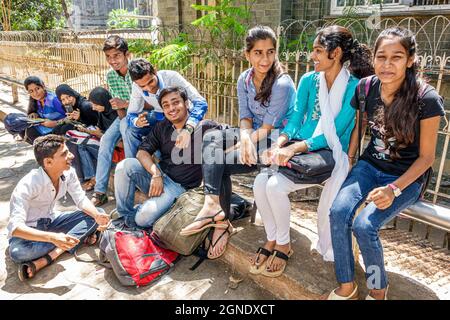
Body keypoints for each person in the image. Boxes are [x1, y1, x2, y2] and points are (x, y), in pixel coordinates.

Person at [325, 27, 444, 300]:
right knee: (339, 212)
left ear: (410, 60)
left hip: (407, 176)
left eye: (396, 57)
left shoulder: (426, 99)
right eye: (381, 57)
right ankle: (346, 286)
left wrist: (394, 189)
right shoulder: (366, 87)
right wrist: (349, 161)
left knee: (365, 226)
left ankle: (378, 290)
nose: (387, 65)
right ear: (374, 57)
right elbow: (359, 128)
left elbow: (427, 157)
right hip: (369, 166)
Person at [250, 26, 374, 277]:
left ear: (336, 53)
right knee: (259, 183)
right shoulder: (308, 80)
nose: (312, 56)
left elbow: (337, 129)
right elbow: (296, 118)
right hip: (300, 148)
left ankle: (284, 244)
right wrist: (282, 141)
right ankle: (273, 239)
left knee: (274, 186)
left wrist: (295, 147)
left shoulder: (354, 87)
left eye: (318, 50)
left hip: (329, 153)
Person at [180, 26, 297, 260]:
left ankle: (219, 219)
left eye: (270, 52)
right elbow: (245, 116)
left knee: (217, 160)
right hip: (252, 134)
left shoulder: (281, 84)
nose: (265, 59)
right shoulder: (244, 79)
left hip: (275, 141)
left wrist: (244, 142)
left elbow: (267, 128)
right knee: (211, 137)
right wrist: (243, 137)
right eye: (258, 53)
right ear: (247, 54)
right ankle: (214, 206)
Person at [114, 87, 220, 228]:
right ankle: (125, 217)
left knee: (143, 219)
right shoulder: (163, 126)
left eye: (176, 103)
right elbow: (142, 152)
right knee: (124, 166)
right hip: (159, 179)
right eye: (166, 106)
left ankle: (140, 214)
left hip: (179, 187)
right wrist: (156, 174)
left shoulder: (206, 127)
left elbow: (232, 140)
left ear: (187, 103)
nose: (171, 108)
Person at [7, 135, 110, 281]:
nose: (72, 155)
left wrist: (97, 216)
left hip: (52, 222)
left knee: (98, 212)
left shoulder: (68, 172)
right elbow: (15, 228)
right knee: (18, 253)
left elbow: (80, 199)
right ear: (48, 162)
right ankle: (77, 238)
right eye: (64, 154)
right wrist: (53, 237)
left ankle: (51, 255)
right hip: (28, 235)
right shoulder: (28, 185)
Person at [121, 58, 208, 158]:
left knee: (169, 145)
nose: (148, 88)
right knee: (130, 130)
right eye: (143, 86)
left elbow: (201, 103)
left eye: (150, 82)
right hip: (160, 117)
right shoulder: (136, 86)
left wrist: (188, 128)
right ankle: (133, 165)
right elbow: (130, 114)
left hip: (183, 117)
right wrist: (137, 121)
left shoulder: (172, 77)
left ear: (155, 71)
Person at [91, 35, 132, 206]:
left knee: (130, 138)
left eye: (116, 56)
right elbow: (118, 105)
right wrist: (123, 122)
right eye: (108, 56)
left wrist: (126, 107)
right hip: (124, 115)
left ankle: (131, 182)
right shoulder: (110, 76)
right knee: (106, 140)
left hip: (146, 115)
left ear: (127, 55)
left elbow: (150, 103)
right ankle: (100, 191)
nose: (112, 60)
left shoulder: (137, 70)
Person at [74, 87, 119, 191]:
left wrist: (100, 135)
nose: (93, 108)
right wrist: (89, 131)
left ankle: (94, 179)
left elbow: (122, 143)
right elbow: (100, 129)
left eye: (96, 105)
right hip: (103, 143)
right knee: (80, 143)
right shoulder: (102, 112)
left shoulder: (117, 114)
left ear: (104, 101)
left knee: (83, 144)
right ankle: (92, 177)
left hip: (116, 150)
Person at [22, 76, 66, 144]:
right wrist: (34, 113)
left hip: (60, 130)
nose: (35, 93)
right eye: (31, 91)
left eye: (37, 88)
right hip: (46, 129)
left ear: (43, 86)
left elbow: (72, 118)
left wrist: (56, 123)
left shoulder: (54, 100)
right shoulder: (36, 100)